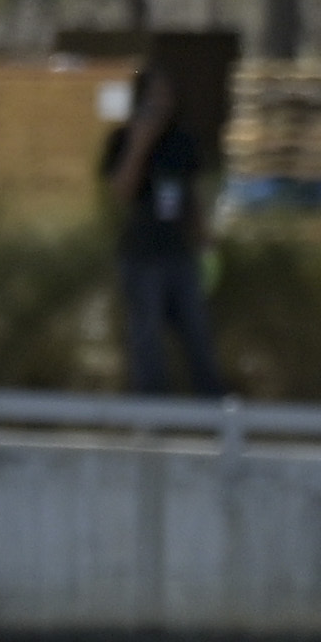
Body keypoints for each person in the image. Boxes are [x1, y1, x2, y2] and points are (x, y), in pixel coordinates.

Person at [103, 35, 227, 398]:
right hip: (141, 256)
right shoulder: (122, 139)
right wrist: (140, 144)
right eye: (153, 97)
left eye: (166, 97)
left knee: (197, 333)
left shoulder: (182, 142)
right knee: (147, 339)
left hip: (180, 254)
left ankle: (214, 413)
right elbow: (121, 192)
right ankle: (152, 415)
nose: (161, 105)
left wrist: (206, 241)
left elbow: (194, 194)